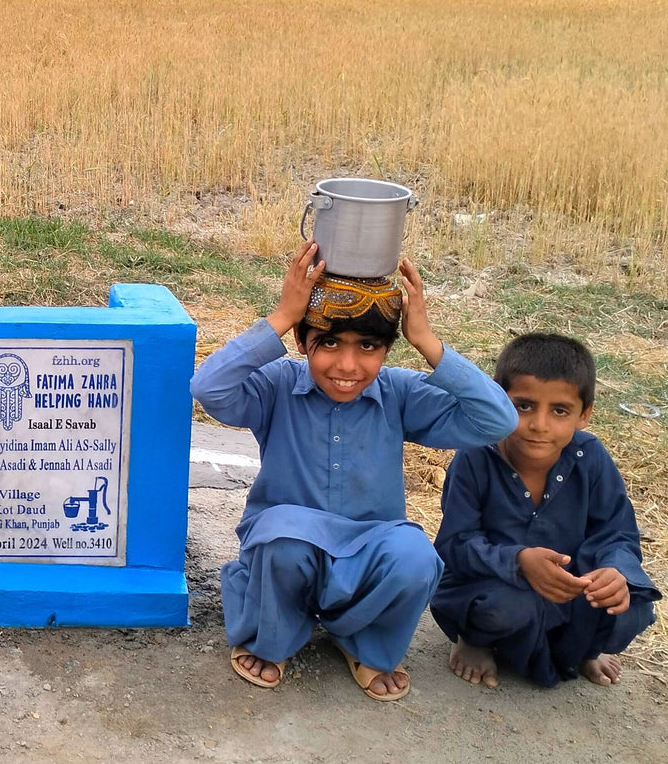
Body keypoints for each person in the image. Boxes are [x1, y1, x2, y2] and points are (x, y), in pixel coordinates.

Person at [190, 239, 518, 701]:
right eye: (328, 343)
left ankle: (363, 643)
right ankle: (274, 639)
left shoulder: (399, 392)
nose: (348, 365)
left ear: (387, 349)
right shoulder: (280, 385)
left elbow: (498, 421)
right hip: (290, 543)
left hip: (369, 545)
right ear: (302, 343)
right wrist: (283, 315)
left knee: (415, 557)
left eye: (368, 346)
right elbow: (208, 387)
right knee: (282, 540)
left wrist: (426, 340)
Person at [430, 332, 661, 689]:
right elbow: (454, 545)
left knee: (632, 604)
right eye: (524, 406)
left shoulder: (591, 458)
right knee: (507, 608)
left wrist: (615, 570)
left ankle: (585, 649)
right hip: (494, 587)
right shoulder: (476, 456)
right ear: (497, 400)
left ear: (584, 415)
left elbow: (616, 531)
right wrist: (518, 560)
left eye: (559, 410)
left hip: (567, 590)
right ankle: (476, 640)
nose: (539, 424)